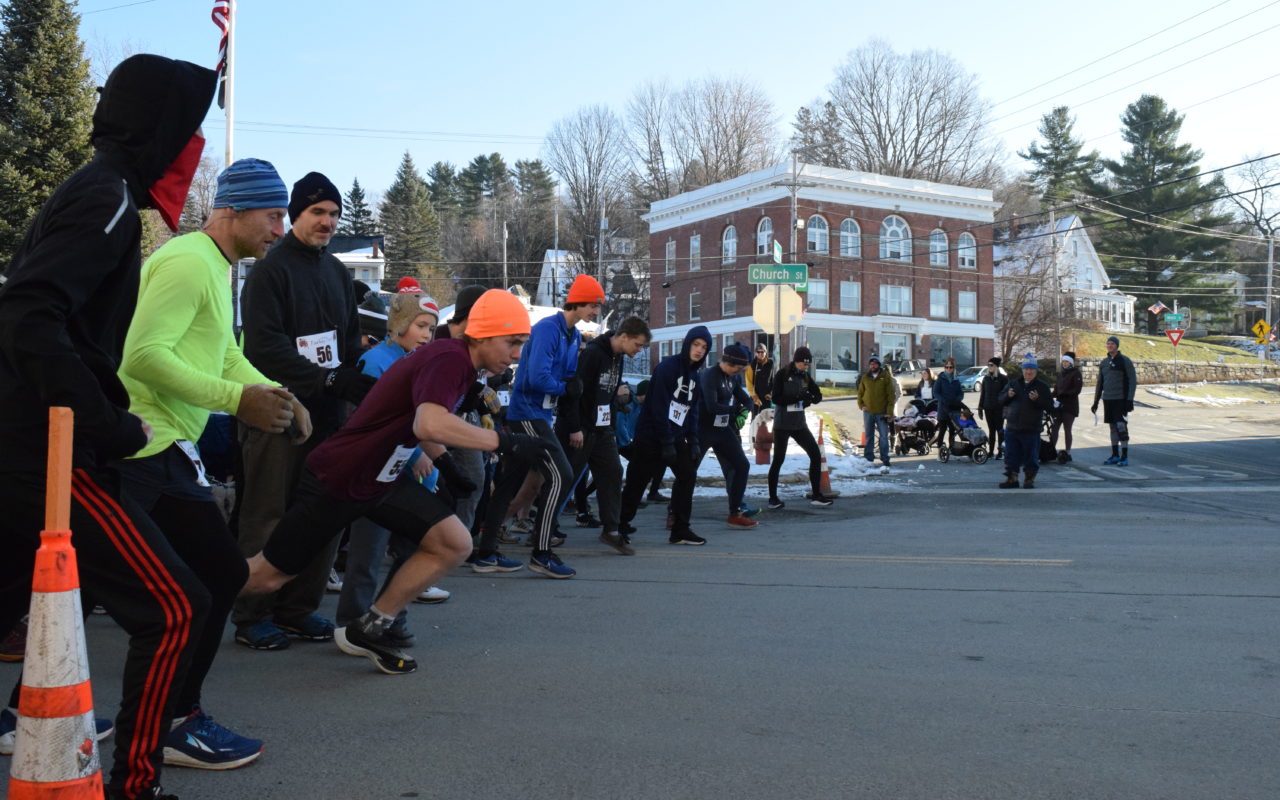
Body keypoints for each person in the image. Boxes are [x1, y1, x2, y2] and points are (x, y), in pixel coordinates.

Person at [0, 54, 217, 800]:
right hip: (48, 449)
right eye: (190, 129)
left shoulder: (102, 190)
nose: (193, 147)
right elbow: (29, 315)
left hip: (41, 438)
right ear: (161, 128)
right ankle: (136, 785)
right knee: (173, 608)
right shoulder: (110, 199)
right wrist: (105, 423)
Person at [114, 158, 310, 771]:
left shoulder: (215, 268)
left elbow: (226, 354)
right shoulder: (185, 261)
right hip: (138, 450)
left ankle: (175, 719)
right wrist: (239, 402)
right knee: (180, 599)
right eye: (274, 214)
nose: (280, 229)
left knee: (217, 579)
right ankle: (159, 727)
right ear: (233, 210)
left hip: (171, 450)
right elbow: (143, 355)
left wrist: (276, 392)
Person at [240, 290, 550, 674]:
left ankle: (370, 627)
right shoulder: (449, 358)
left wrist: (447, 467)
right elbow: (429, 422)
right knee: (266, 578)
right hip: (343, 477)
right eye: (513, 342)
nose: (518, 354)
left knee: (453, 542)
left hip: (381, 476)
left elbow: (415, 419)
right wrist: (507, 442)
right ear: (484, 335)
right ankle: (181, 598)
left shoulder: (460, 364)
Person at [232, 171, 367, 651]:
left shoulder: (336, 273)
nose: (327, 221)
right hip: (277, 411)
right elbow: (262, 347)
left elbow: (349, 343)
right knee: (268, 512)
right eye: (318, 212)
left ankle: (297, 609)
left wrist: (351, 379)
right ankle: (252, 614)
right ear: (295, 216)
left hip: (330, 415)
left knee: (323, 513)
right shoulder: (270, 270)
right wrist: (325, 377)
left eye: (333, 214)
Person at [335, 288, 450, 649]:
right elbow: (368, 422)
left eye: (430, 329)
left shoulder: (416, 363)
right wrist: (416, 454)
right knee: (367, 555)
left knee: (408, 553)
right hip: (375, 477)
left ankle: (390, 618)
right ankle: (351, 623)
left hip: (409, 480)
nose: (426, 335)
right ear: (399, 323)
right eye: (420, 326)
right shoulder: (375, 362)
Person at [480, 274, 603, 578]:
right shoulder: (549, 329)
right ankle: (542, 552)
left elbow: (569, 379)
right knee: (562, 474)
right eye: (593, 305)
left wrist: (570, 387)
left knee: (510, 483)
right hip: (527, 413)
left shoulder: (573, 335)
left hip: (541, 415)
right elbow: (537, 378)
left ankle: (484, 553)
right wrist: (567, 388)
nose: (596, 312)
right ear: (578, 302)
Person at [553, 316, 652, 556]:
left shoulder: (617, 357)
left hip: (602, 428)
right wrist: (575, 427)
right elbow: (574, 393)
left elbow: (609, 397)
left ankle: (612, 530)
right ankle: (545, 527)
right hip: (580, 428)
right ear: (624, 336)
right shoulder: (593, 354)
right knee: (567, 477)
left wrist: (612, 427)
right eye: (638, 345)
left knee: (613, 473)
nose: (639, 351)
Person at [620, 326, 711, 544]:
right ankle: (618, 526)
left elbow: (692, 409)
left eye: (704, 347)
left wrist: (694, 440)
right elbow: (658, 407)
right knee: (637, 482)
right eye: (696, 344)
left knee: (687, 474)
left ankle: (680, 529)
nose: (699, 350)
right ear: (687, 344)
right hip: (651, 436)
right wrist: (666, 441)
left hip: (676, 436)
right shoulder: (667, 368)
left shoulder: (695, 377)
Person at [698, 342, 757, 528]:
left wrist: (744, 411)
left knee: (742, 465)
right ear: (729, 363)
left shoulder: (732, 379)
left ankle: (735, 512)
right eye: (738, 369)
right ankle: (674, 512)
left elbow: (747, 400)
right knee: (688, 472)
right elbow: (712, 406)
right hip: (703, 429)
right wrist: (735, 410)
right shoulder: (710, 375)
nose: (738, 373)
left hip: (723, 429)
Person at [767, 347, 833, 509]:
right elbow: (776, 399)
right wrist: (797, 397)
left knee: (815, 455)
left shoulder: (805, 377)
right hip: (783, 424)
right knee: (778, 460)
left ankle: (817, 495)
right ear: (796, 362)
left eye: (808, 365)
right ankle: (773, 498)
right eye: (804, 364)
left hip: (799, 424)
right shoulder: (782, 375)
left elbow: (817, 394)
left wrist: (813, 398)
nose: (806, 367)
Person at [999, 354, 1053, 489]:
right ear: (1022, 370)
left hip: (1031, 429)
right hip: (1012, 428)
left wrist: (1037, 400)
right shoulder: (1013, 383)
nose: (1028, 372)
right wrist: (1008, 396)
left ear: (1036, 370)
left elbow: (1050, 406)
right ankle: (1012, 479)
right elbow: (1000, 399)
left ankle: (1029, 480)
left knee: (1031, 457)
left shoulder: (1042, 387)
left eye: (1031, 370)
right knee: (1011, 456)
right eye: (1026, 369)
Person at [1091, 335, 1137, 466]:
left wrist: (1129, 400)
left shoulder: (1125, 361)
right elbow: (1100, 383)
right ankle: (1115, 455)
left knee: (1121, 426)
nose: (1109, 346)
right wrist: (1095, 402)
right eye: (1108, 344)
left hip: (1120, 399)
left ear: (1117, 346)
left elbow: (1132, 381)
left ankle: (1124, 456)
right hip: (1108, 399)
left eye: (1112, 344)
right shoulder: (1104, 363)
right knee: (1112, 428)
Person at [856, 354, 894, 467]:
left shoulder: (885, 376)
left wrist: (889, 411)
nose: (873, 366)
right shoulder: (865, 377)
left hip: (882, 412)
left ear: (879, 364)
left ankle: (885, 458)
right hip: (868, 412)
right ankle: (868, 457)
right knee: (869, 435)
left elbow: (890, 395)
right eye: (871, 364)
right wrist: (861, 405)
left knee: (883, 436)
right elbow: (860, 393)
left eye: (875, 363)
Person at [1049, 351, 1082, 464]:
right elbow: (1056, 390)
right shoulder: (1060, 374)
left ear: (1071, 363)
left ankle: (1068, 452)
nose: (1065, 363)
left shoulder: (1076, 373)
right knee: (1054, 428)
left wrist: (1064, 395)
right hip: (1058, 406)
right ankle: (1051, 450)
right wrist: (1049, 396)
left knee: (1067, 429)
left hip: (1070, 406)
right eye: (1063, 361)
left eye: (1067, 362)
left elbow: (1077, 390)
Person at [977, 357, 1009, 459]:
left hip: (999, 408)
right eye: (988, 365)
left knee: (999, 430)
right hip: (988, 408)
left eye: (991, 365)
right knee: (991, 430)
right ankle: (991, 452)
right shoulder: (986, 379)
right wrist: (980, 407)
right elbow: (983, 394)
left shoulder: (1003, 379)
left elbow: (1006, 394)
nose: (989, 367)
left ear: (996, 366)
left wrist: (1005, 407)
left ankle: (1000, 452)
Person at [933, 357, 964, 448]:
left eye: (950, 367)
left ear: (954, 368)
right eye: (947, 367)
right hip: (943, 408)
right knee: (942, 429)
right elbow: (936, 392)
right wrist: (943, 400)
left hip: (954, 409)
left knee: (952, 429)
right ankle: (939, 448)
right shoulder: (940, 379)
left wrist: (958, 399)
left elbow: (960, 393)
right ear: (944, 368)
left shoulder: (956, 380)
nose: (948, 369)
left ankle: (951, 448)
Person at [746, 343, 774, 419]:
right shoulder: (752, 364)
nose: (760, 354)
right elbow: (749, 382)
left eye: (762, 352)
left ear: (766, 352)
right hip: (756, 397)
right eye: (758, 352)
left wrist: (770, 393)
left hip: (766, 397)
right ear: (756, 353)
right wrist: (754, 396)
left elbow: (773, 379)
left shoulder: (770, 363)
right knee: (756, 420)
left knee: (767, 420)